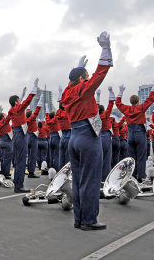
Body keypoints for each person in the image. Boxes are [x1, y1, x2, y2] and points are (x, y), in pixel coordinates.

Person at [62, 31, 112, 231]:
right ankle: (89, 220)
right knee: (91, 179)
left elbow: (71, 83)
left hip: (74, 137)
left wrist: (77, 69)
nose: (88, 77)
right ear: (82, 79)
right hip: (88, 136)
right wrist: (106, 50)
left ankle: (79, 218)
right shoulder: (83, 88)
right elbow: (100, 75)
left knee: (78, 179)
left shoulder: (67, 93)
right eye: (85, 76)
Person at [115, 85, 154, 182]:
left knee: (132, 157)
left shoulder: (127, 109)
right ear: (138, 101)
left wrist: (120, 92)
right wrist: (153, 89)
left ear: (131, 102)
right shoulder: (141, 108)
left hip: (130, 135)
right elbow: (150, 99)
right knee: (141, 156)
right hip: (140, 134)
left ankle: (133, 177)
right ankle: (141, 177)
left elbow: (118, 103)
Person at [8, 80, 37, 192]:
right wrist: (33, 90)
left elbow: (19, 105)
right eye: (19, 100)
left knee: (18, 160)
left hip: (17, 134)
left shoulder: (12, 110)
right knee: (21, 161)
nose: (20, 101)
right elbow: (25, 103)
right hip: (20, 134)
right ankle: (19, 186)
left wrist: (22, 95)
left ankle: (17, 183)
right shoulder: (18, 109)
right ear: (16, 103)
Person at [97, 87, 115, 181]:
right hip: (106, 137)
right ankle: (106, 179)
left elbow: (95, 107)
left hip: (98, 137)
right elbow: (111, 105)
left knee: (99, 159)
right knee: (107, 160)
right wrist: (111, 93)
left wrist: (98, 96)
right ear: (103, 110)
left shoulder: (96, 116)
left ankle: (99, 178)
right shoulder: (105, 115)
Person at [26, 94, 43, 178]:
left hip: (28, 136)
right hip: (33, 137)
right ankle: (31, 172)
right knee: (33, 155)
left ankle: (29, 170)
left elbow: (29, 112)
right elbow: (37, 111)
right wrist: (40, 101)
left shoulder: (26, 119)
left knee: (28, 155)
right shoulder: (32, 118)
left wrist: (28, 105)